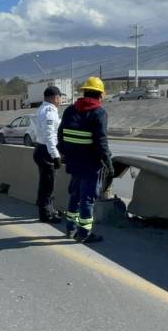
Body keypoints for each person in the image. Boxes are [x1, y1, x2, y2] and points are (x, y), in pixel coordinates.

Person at [57, 77, 113, 243]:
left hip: (73, 162)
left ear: (84, 92)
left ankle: (70, 228)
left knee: (74, 195)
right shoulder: (99, 113)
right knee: (87, 199)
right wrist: (108, 163)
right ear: (99, 95)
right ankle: (84, 234)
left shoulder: (70, 110)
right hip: (90, 164)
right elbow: (101, 142)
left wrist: (65, 154)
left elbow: (60, 135)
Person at [31, 85, 63, 222]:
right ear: (55, 97)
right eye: (60, 97)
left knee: (46, 183)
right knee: (47, 185)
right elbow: (49, 135)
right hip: (46, 151)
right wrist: (55, 155)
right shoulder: (49, 112)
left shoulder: (43, 109)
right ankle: (46, 214)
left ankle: (48, 209)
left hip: (41, 149)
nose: (61, 100)